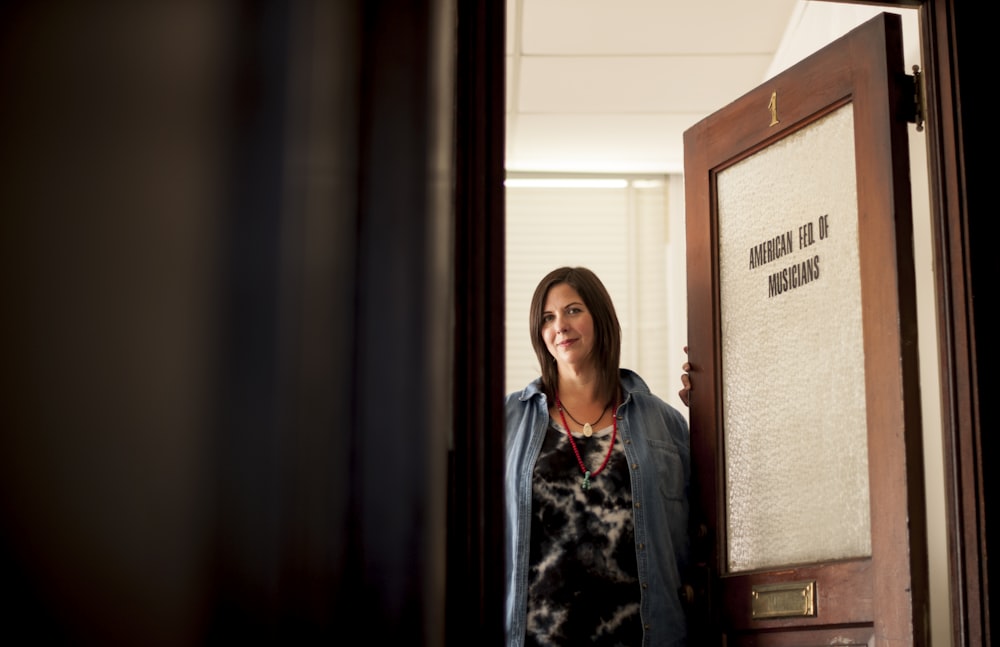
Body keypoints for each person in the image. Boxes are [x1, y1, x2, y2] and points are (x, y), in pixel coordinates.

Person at [504, 266, 690, 646]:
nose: (560, 326)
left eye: (573, 310)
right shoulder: (507, 422)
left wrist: (715, 406)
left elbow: (695, 540)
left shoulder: (665, 423)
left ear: (601, 318)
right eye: (548, 317)